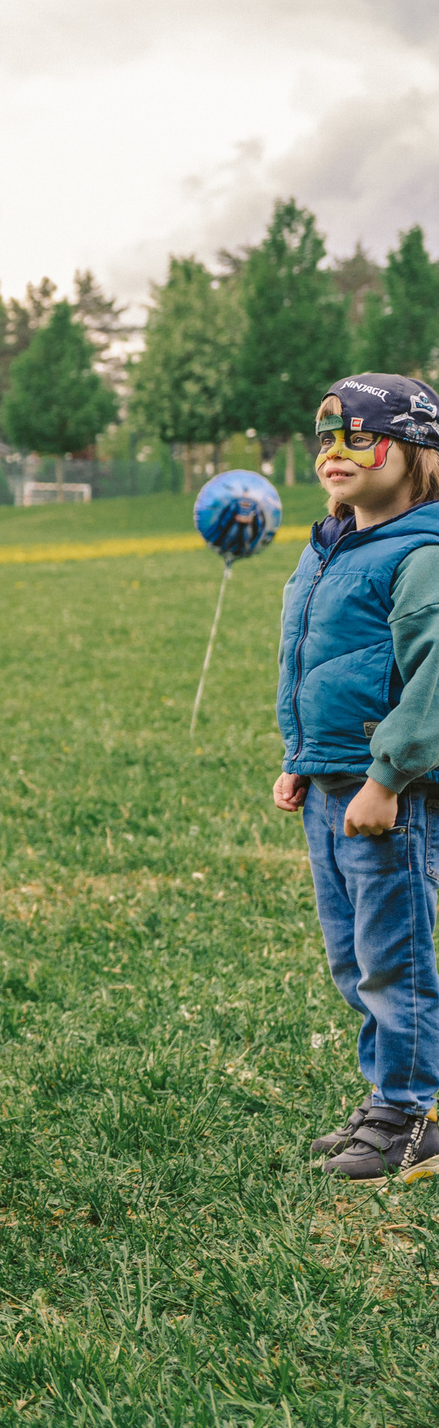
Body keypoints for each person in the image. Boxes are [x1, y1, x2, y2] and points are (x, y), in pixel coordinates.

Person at [273, 373, 439, 1180]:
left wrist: (386, 777)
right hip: (333, 784)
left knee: (392, 954)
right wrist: (299, 758)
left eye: (359, 436)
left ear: (412, 452)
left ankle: (415, 1111)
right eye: (326, 437)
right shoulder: (332, 545)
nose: (333, 452)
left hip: (389, 796)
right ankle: (388, 1094)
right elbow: (316, 663)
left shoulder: (420, 555)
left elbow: (434, 679)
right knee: (351, 955)